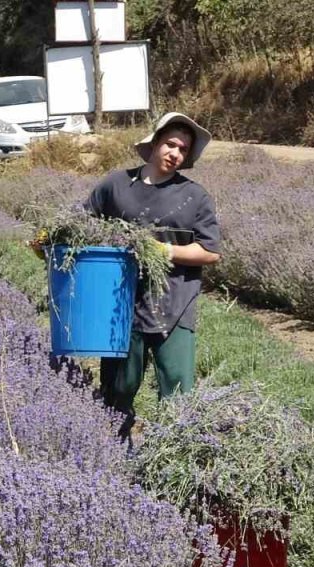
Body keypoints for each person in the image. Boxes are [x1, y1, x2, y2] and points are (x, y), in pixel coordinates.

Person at [83, 112, 222, 435]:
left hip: (175, 303)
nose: (175, 153)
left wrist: (164, 251)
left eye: (183, 149)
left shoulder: (194, 196)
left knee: (176, 388)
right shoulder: (116, 185)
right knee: (119, 386)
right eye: (170, 144)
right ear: (155, 142)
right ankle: (112, 448)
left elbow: (210, 251)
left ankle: (175, 457)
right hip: (121, 304)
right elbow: (82, 223)